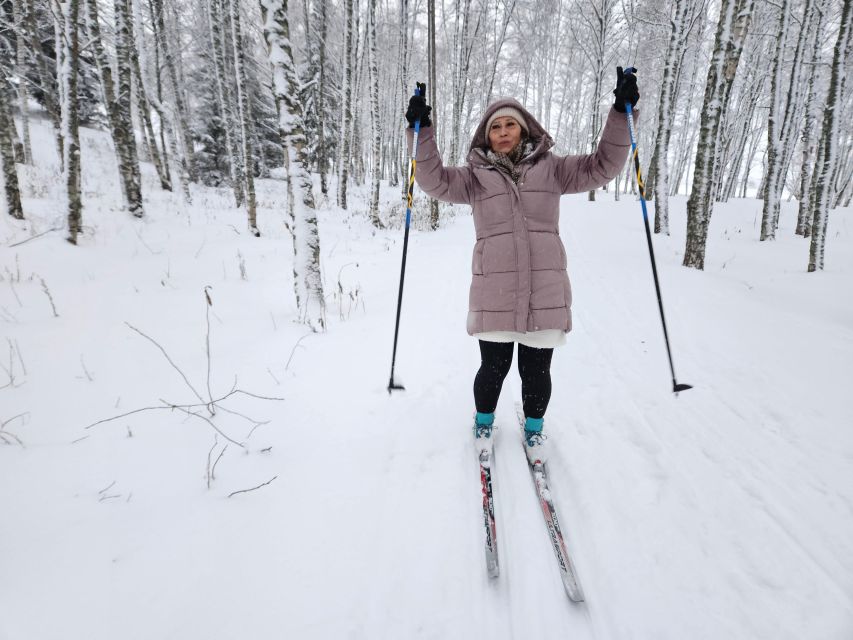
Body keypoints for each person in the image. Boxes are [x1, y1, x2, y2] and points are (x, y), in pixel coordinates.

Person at [405, 68, 639, 464]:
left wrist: (621, 112)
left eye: (510, 123)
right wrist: (421, 130)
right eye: (495, 126)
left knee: (536, 371)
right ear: (486, 134)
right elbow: (434, 181)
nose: (503, 131)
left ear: (525, 128)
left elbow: (603, 166)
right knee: (492, 368)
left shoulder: (554, 168)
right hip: (494, 289)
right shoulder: (475, 177)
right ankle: (483, 422)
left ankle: (534, 431)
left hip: (545, 290)